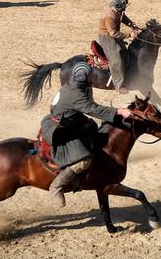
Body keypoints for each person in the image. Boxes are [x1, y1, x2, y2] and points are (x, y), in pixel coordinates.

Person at [41, 60, 133, 206]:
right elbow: (93, 109)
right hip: (60, 128)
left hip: (69, 120)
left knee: (92, 130)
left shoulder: (74, 85)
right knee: (84, 160)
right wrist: (120, 111)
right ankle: (57, 186)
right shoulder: (76, 93)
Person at [97, 0, 141, 93]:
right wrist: (129, 34)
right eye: (124, 5)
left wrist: (131, 24)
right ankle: (119, 85)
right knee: (116, 59)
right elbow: (113, 33)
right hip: (107, 37)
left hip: (113, 35)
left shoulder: (117, 10)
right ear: (120, 5)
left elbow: (122, 17)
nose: (125, 7)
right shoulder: (109, 16)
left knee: (125, 52)